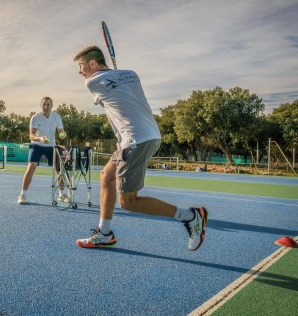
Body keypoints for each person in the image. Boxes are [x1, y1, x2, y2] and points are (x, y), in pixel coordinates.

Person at [72, 46, 208, 251]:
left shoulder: (92, 82)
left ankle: (191, 216)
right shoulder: (131, 74)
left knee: (128, 202)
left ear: (93, 63)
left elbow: (106, 104)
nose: (80, 71)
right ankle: (105, 233)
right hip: (149, 136)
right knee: (106, 177)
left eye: (81, 65)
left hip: (135, 140)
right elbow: (122, 98)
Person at [18, 97, 67, 204]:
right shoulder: (35, 117)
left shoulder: (57, 117)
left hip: (52, 146)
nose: (45, 107)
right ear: (41, 105)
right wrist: (40, 138)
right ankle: (22, 194)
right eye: (43, 104)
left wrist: (63, 134)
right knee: (31, 168)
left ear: (52, 105)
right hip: (37, 145)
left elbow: (61, 131)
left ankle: (61, 194)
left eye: (48, 104)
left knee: (60, 169)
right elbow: (31, 136)